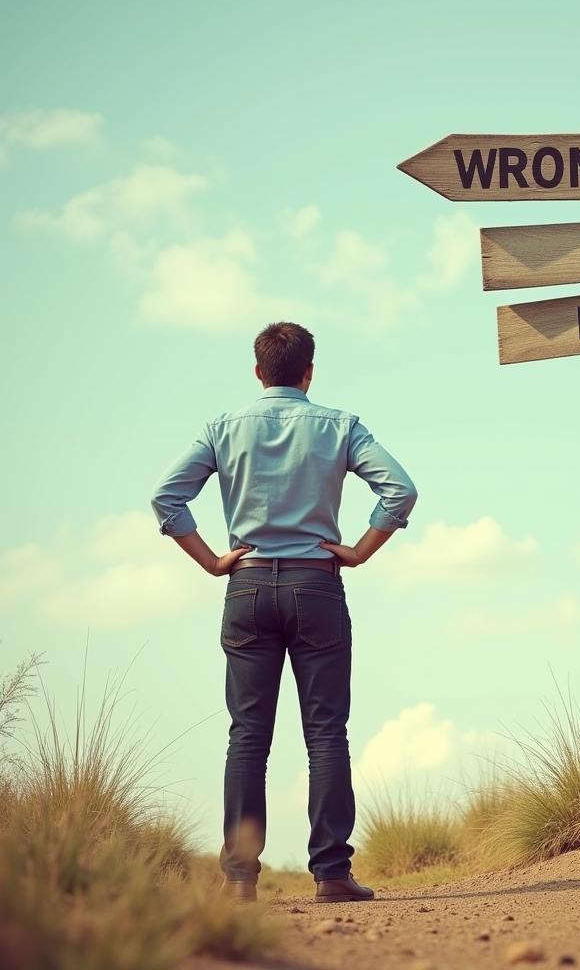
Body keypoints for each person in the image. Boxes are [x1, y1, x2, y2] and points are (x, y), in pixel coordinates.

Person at [150, 321, 417, 904]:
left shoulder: (222, 427)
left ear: (257, 372)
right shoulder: (340, 425)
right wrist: (359, 551)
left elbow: (167, 497)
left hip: (245, 588)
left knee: (247, 736)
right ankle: (332, 875)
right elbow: (399, 489)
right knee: (326, 733)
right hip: (317, 586)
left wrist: (211, 562)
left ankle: (239, 880)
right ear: (309, 371)